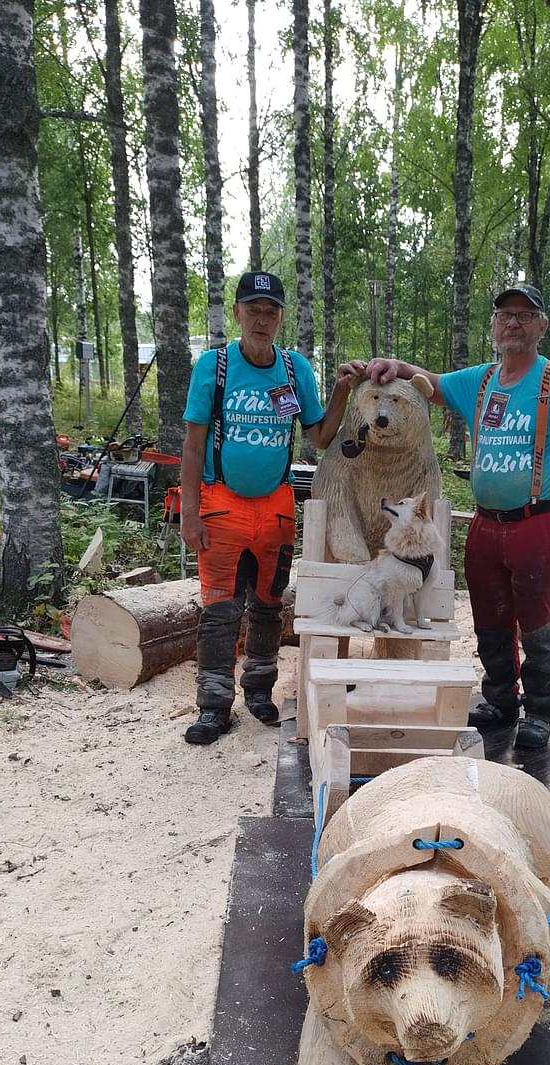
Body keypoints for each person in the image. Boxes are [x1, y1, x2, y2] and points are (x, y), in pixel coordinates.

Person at [367, 283, 550, 749]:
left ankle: (541, 710)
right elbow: (434, 385)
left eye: (525, 315)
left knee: (540, 622)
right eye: (505, 315)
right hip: (485, 526)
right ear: (494, 326)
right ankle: (501, 699)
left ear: (542, 326)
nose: (514, 323)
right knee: (490, 618)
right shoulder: (481, 381)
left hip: (537, 525)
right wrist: (395, 367)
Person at [181, 271, 365, 745]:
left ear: (281, 317)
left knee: (267, 605)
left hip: (278, 505)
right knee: (220, 608)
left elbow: (320, 436)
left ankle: (259, 689)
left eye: (271, 311)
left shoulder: (294, 369)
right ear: (237, 312)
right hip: (221, 502)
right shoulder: (214, 366)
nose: (262, 320)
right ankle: (214, 704)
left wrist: (342, 390)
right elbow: (194, 444)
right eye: (254, 309)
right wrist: (190, 512)